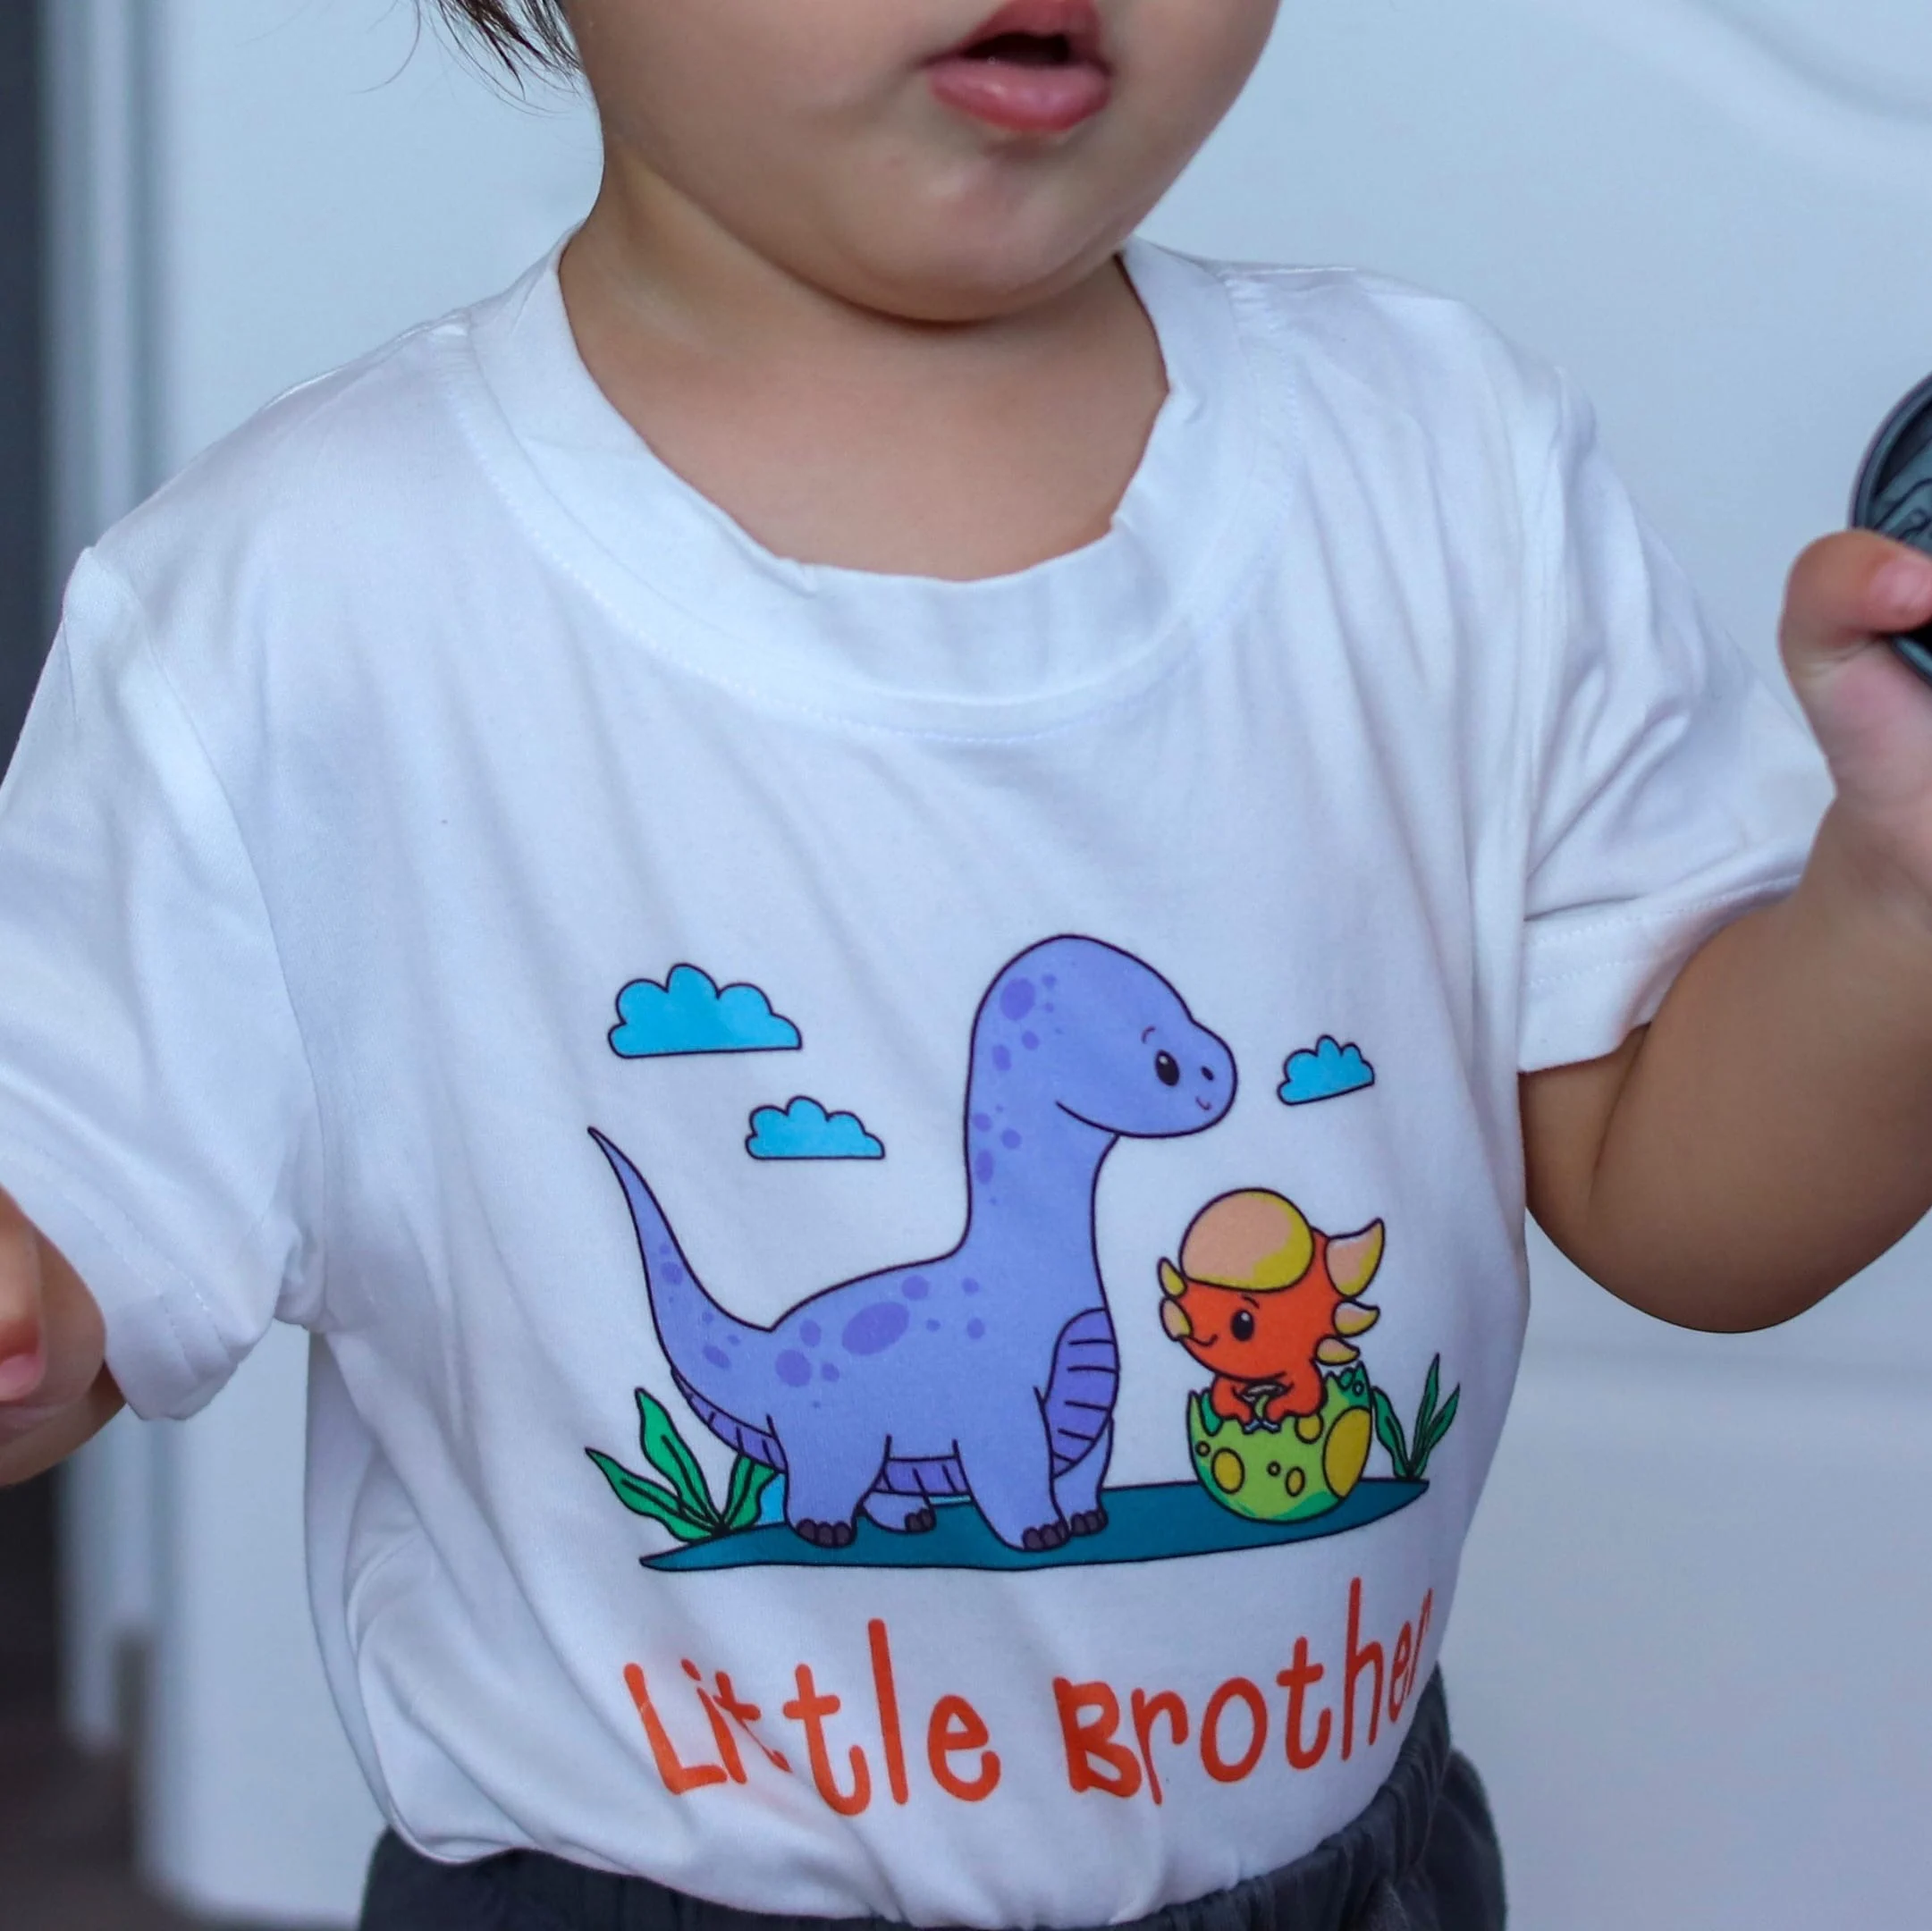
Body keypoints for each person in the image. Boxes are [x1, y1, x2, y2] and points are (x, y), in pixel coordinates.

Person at [2, 3, 1928, 1926]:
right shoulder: (296, 606)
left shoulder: (1445, 470)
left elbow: (1698, 1215)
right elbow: (77, 1233)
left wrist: (1897, 908)